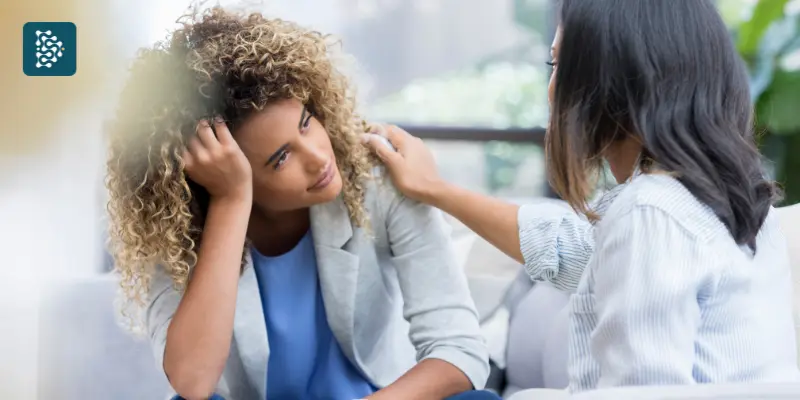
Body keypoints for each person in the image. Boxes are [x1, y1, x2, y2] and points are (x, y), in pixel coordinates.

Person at [364, 0, 800, 393]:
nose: (552, 88)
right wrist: (435, 190)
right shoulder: (729, 204)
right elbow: (572, 252)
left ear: (610, 80)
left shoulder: (650, 213)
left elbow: (641, 393)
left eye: (558, 65)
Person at [105, 7, 498, 400]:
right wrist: (231, 202)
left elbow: (459, 351)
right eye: (281, 158)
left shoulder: (381, 184)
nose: (318, 157)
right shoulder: (176, 231)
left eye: (307, 121)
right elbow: (192, 382)